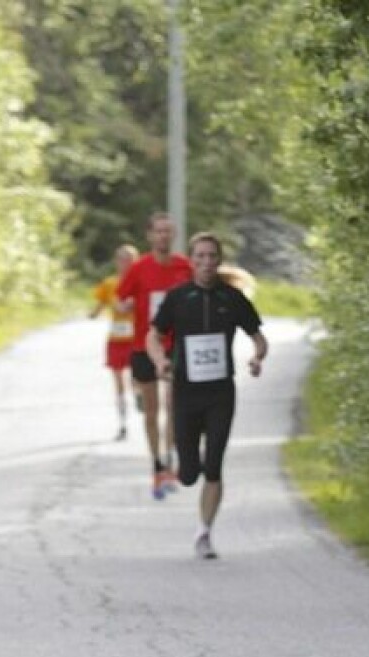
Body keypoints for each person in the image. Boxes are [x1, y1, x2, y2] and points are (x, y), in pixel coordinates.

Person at [146, 231, 268, 559]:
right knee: (188, 475)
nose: (206, 262)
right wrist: (160, 361)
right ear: (191, 260)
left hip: (220, 394)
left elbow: (258, 337)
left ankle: (204, 533)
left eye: (212, 256)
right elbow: (153, 336)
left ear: (219, 260)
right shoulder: (178, 297)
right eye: (199, 256)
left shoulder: (232, 299)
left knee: (214, 465)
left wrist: (257, 358)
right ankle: (187, 466)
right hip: (185, 392)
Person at [116, 213, 193, 499]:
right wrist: (123, 306)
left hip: (175, 346)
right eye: (158, 232)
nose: (163, 236)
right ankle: (157, 466)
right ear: (149, 236)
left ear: (173, 236)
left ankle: (170, 459)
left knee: (174, 405)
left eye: (168, 232)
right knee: (152, 411)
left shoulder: (185, 267)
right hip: (142, 347)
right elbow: (120, 297)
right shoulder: (138, 269)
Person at [90, 243, 139, 441]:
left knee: (137, 380)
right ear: (116, 262)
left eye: (128, 260)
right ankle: (123, 422)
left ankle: (138, 397)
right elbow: (101, 303)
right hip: (116, 339)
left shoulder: (139, 283)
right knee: (118, 381)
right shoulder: (110, 283)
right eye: (120, 259)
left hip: (136, 339)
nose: (124, 263)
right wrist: (94, 313)